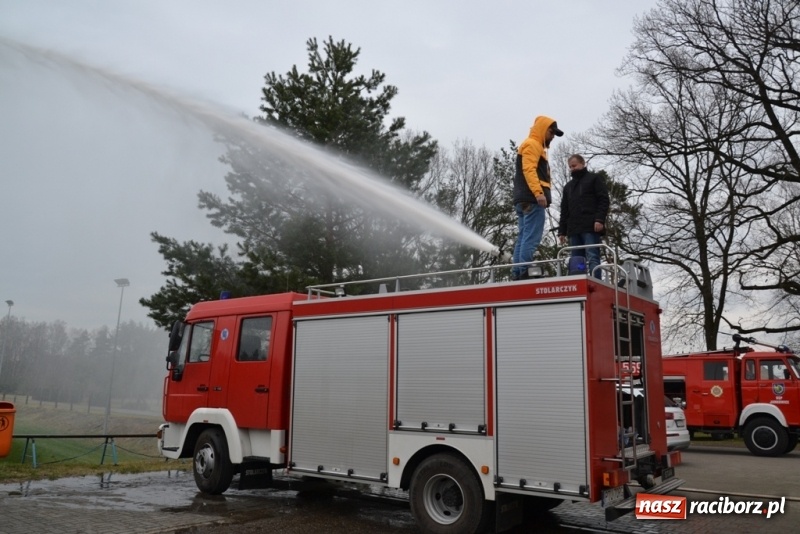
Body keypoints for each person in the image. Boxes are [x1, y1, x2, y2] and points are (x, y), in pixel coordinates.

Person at [511, 116, 563, 280]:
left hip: (524, 199)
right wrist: (538, 193)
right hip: (532, 199)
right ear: (544, 130)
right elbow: (529, 170)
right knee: (531, 238)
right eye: (552, 132)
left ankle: (518, 272)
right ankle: (524, 271)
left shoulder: (532, 145)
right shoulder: (532, 145)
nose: (553, 136)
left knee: (524, 237)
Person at [557, 154, 610, 279]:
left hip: (590, 225)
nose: (572, 169)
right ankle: (579, 282)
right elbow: (564, 210)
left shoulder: (594, 179)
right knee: (576, 259)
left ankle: (596, 281)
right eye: (570, 167)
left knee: (592, 256)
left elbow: (603, 200)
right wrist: (562, 231)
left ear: (582, 163)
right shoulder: (568, 187)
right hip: (574, 228)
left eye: (574, 165)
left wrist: (599, 219)